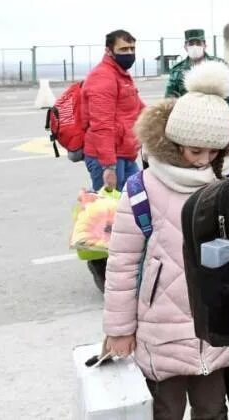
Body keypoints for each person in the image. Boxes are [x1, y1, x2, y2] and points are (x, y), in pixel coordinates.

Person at [103, 61, 229, 420]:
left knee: (212, 409)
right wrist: (118, 331)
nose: (204, 160)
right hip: (159, 327)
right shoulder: (141, 190)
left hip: (215, 328)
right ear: (174, 141)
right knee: (165, 410)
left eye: (214, 152)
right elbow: (121, 264)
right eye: (196, 151)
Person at [81, 29, 146, 291]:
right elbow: (101, 126)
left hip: (125, 153)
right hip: (106, 156)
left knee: (133, 210)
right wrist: (108, 166)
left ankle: (126, 269)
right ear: (109, 51)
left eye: (132, 49)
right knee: (109, 219)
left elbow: (138, 108)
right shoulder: (102, 79)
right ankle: (103, 270)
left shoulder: (123, 76)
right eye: (123, 50)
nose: (129, 54)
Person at [165, 28, 229, 113]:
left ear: (204, 45)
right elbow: (170, 99)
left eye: (198, 43)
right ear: (185, 47)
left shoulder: (219, 66)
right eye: (191, 44)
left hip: (216, 116)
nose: (195, 46)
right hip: (187, 117)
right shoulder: (177, 70)